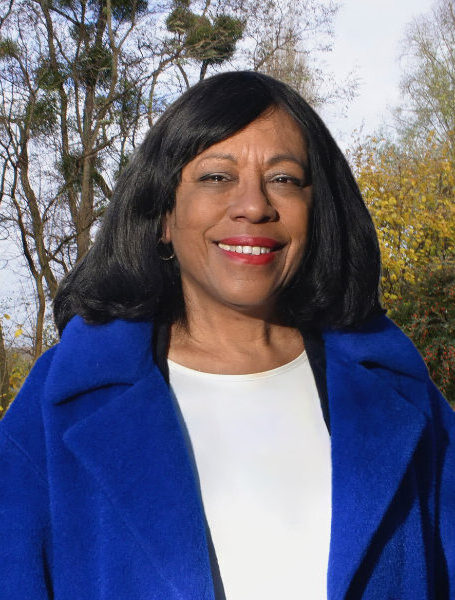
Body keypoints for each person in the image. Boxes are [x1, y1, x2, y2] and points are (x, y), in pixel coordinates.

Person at [0, 71, 454, 600]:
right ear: (163, 215)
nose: (254, 205)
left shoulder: (397, 393)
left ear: (318, 212)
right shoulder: (63, 401)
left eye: (284, 179)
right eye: (216, 176)